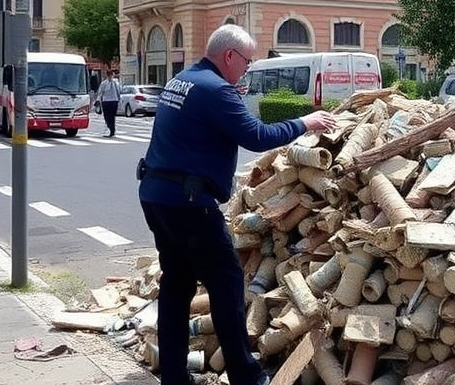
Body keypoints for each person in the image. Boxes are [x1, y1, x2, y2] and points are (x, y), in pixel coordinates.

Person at [137, 24, 336, 385]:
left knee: (177, 284)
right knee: (227, 282)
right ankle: (246, 376)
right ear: (229, 55)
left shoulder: (183, 80)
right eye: (246, 61)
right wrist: (305, 122)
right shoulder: (215, 90)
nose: (247, 68)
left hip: (157, 195)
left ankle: (173, 376)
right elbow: (257, 136)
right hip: (189, 203)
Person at [97, 70, 121, 137]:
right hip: (106, 101)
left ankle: (112, 131)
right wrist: (98, 100)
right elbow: (100, 93)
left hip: (114, 101)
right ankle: (109, 126)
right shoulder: (104, 83)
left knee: (112, 117)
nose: (111, 77)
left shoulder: (116, 83)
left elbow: (119, 91)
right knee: (107, 116)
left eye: (112, 75)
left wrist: (119, 99)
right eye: (110, 75)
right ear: (107, 76)